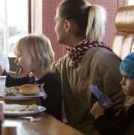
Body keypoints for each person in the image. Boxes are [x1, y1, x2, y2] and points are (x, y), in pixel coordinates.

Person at [52, 0, 126, 134]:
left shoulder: (103, 60)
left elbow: (125, 106)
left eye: (56, 21)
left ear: (67, 25)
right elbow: (45, 75)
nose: (55, 27)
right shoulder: (68, 61)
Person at [0, 34, 62, 121]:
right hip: (34, 122)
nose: (16, 60)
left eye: (19, 56)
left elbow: (53, 113)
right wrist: (1, 71)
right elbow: (11, 83)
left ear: (36, 56)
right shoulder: (31, 79)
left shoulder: (52, 81)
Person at [90, 53, 134, 135]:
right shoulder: (130, 99)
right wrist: (108, 107)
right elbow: (118, 124)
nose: (122, 82)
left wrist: (98, 117)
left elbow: (114, 132)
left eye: (127, 77)